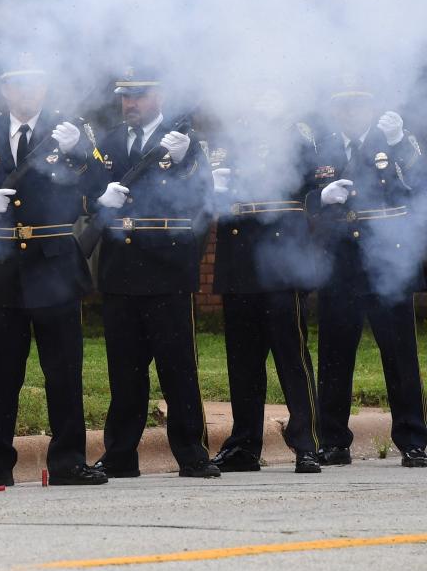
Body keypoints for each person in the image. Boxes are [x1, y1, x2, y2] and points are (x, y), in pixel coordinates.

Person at [0, 57, 108, 488]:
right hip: (0, 266)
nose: (26, 92)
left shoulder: (70, 132)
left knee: (63, 368)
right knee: (0, 372)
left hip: (53, 262)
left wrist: (78, 152)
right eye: (17, 84)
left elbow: (102, 189)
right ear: (4, 89)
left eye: (34, 83)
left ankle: (69, 460)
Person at [90, 73, 219, 478]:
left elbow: (203, 195)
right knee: (124, 371)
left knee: (177, 368)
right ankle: (120, 455)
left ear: (159, 96)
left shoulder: (182, 141)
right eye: (125, 97)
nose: (130, 104)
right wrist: (99, 199)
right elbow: (91, 190)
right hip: (120, 268)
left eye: (139, 96)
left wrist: (184, 161)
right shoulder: (109, 142)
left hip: (166, 267)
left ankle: (192, 453)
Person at [307, 89, 427, 467]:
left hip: (385, 262)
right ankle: (333, 440)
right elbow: (300, 193)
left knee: (399, 354)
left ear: (373, 106)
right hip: (339, 263)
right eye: (342, 104)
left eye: (358, 103)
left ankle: (413, 439)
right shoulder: (321, 147)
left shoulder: (394, 142)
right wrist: (318, 198)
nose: (350, 111)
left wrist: (398, 144)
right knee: (334, 356)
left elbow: (417, 185)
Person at [207, 94, 323, 474]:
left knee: (292, 359)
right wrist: (214, 187)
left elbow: (316, 186)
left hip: (279, 263)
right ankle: (244, 444)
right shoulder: (228, 143)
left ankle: (307, 442)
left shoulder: (295, 140)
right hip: (239, 263)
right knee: (243, 364)